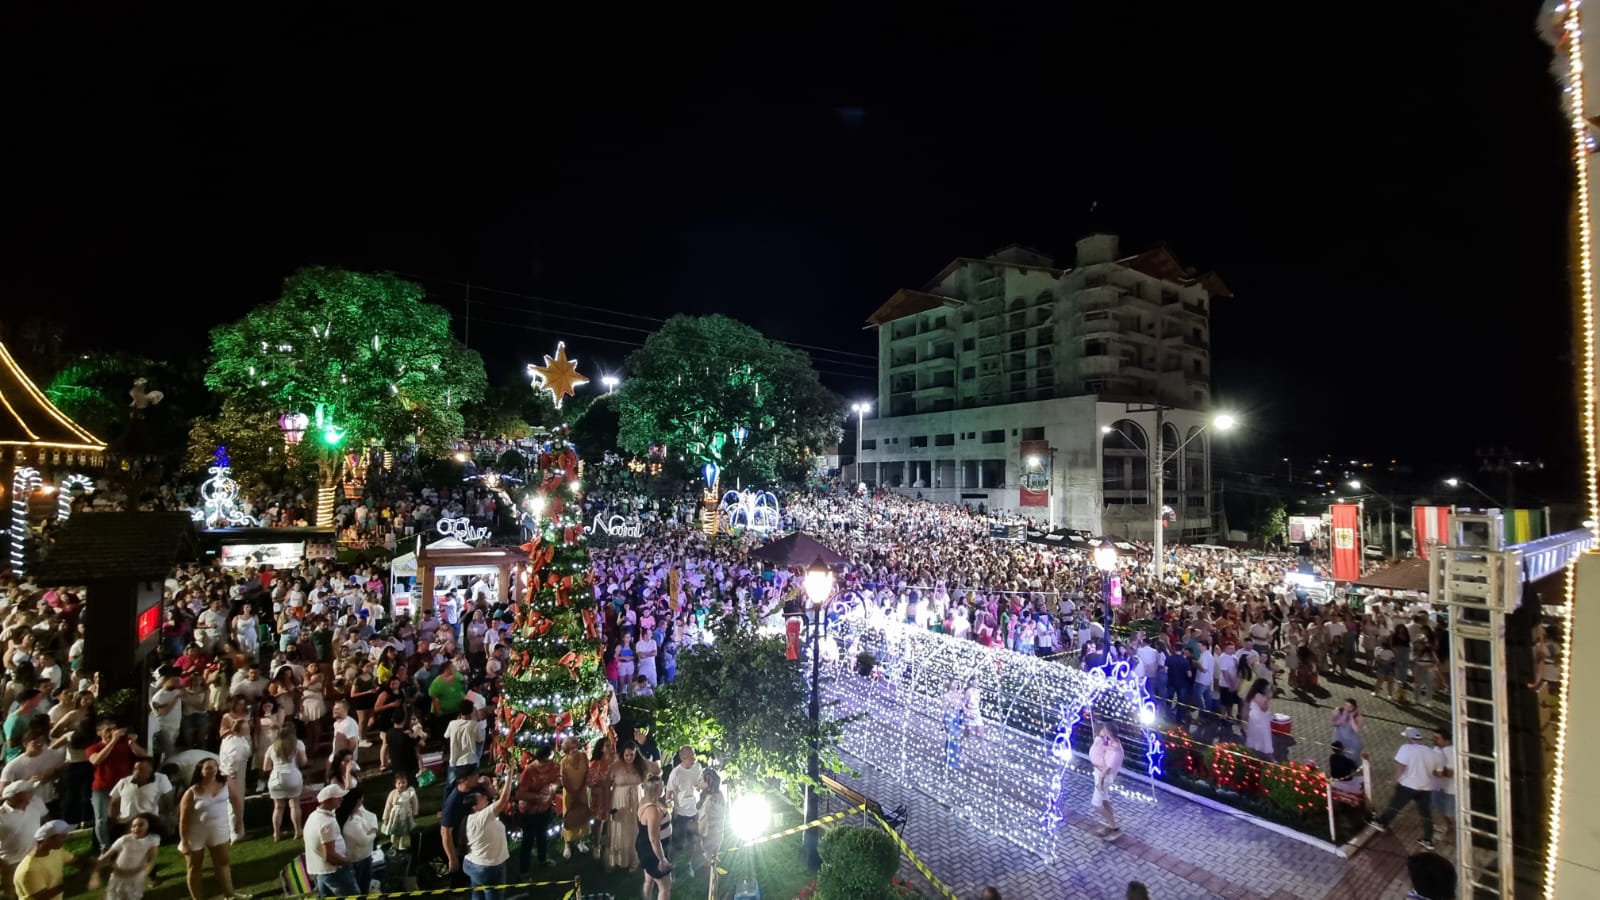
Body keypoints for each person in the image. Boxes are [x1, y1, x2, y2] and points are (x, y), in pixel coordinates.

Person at [177, 757, 240, 900]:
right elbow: (183, 820)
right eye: (208, 768)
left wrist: (239, 822)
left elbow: (236, 800)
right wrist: (185, 841)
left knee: (222, 863)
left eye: (215, 766)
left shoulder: (225, 782)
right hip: (196, 833)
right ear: (201, 771)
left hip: (219, 830)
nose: (213, 770)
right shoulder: (191, 792)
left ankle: (230, 895)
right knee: (194, 867)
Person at [1372, 726, 1441, 851]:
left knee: (1395, 805)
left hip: (1408, 785)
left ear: (1409, 739)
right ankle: (1428, 839)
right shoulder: (1433, 753)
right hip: (1425, 787)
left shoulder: (1406, 748)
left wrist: (1395, 781)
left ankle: (1382, 823)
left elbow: (1401, 767)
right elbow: (1438, 773)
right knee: (1426, 814)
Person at [464, 772, 514, 900]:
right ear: (474, 807)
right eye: (481, 797)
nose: (485, 797)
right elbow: (502, 800)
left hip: (474, 864)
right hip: (488, 868)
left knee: (478, 896)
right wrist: (510, 775)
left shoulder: (473, 818)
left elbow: (495, 796)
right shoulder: (481, 817)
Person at [513, 745, 559, 873]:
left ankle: (542, 859)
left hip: (544, 809)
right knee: (528, 841)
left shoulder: (553, 766)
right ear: (542, 759)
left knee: (542, 835)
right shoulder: (529, 771)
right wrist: (538, 796)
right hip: (529, 812)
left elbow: (558, 780)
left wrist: (552, 787)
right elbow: (519, 794)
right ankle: (524, 871)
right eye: (548, 760)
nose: (551, 763)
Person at [305, 784, 356, 897]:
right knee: (353, 896)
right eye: (338, 797)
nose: (341, 799)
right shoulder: (327, 822)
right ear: (328, 800)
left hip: (321, 870)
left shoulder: (313, 816)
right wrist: (348, 862)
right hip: (335, 870)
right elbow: (330, 856)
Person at [99, 812, 159, 900]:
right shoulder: (124, 840)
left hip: (135, 877)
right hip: (118, 876)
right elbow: (108, 854)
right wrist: (98, 863)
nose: (136, 828)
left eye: (141, 825)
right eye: (133, 826)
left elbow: (152, 859)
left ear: (148, 826)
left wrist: (145, 873)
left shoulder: (151, 841)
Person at [14, 820, 79, 900]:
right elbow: (41, 896)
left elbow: (76, 861)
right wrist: (71, 881)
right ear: (45, 840)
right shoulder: (30, 869)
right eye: (61, 837)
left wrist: (92, 864)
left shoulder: (56, 851)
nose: (65, 839)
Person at [608, 744, 648, 871]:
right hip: (619, 800)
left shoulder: (640, 767)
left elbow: (647, 783)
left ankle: (634, 860)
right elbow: (608, 784)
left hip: (636, 799)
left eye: (632, 755)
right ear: (622, 755)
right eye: (626, 755)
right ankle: (619, 859)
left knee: (635, 829)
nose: (629, 757)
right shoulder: (616, 766)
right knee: (621, 828)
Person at [264, 726, 307, 842]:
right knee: (294, 805)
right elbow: (303, 762)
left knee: (278, 807)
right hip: (293, 776)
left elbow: (266, 767)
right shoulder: (298, 744)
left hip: (275, 778)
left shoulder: (271, 747)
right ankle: (298, 830)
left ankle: (276, 834)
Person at [664, 745, 702, 870]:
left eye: (694, 755)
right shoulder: (676, 773)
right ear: (682, 758)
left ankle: (688, 864)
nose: (693, 758)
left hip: (694, 811)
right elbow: (668, 792)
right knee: (677, 843)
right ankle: (672, 864)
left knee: (694, 841)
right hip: (680, 813)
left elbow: (699, 783)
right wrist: (671, 805)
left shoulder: (697, 767)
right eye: (690, 756)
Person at [337, 785, 380, 895]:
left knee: (366, 883)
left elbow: (372, 818)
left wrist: (371, 831)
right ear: (357, 801)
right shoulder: (350, 823)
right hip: (357, 860)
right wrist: (374, 832)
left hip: (365, 856)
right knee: (360, 886)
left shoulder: (359, 812)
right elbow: (364, 840)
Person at [636, 775, 673, 900]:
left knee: (649, 880)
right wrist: (662, 859)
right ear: (656, 790)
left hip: (646, 846)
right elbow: (654, 838)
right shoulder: (652, 810)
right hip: (653, 850)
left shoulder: (647, 801)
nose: (664, 788)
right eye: (662, 786)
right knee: (665, 887)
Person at [217, 719, 252, 839]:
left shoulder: (237, 739)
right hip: (234, 775)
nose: (248, 728)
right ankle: (236, 834)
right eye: (246, 727)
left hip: (238, 773)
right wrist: (232, 775)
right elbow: (233, 760)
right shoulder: (234, 742)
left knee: (236, 802)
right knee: (234, 803)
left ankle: (239, 831)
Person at [1088, 722, 1123, 837]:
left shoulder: (1116, 752)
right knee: (1104, 800)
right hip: (1100, 775)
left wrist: (1099, 782)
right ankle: (1113, 823)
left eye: (1105, 730)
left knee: (1096, 804)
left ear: (1109, 732)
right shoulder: (1112, 743)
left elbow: (1106, 771)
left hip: (1104, 779)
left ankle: (1112, 824)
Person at [694, 768, 726, 877]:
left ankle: (713, 886)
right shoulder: (717, 794)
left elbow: (705, 820)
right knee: (710, 861)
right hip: (715, 834)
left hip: (709, 836)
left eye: (701, 780)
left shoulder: (711, 800)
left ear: (707, 782)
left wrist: (699, 834)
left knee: (708, 864)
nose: (698, 782)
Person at [382, 772, 419, 851]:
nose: (401, 785)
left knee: (404, 830)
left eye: (403, 782)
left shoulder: (410, 792)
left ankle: (401, 844)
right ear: (395, 784)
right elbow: (388, 806)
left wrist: (415, 811)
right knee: (394, 830)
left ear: (407, 782)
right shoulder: (392, 793)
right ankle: (393, 842)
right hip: (395, 815)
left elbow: (415, 802)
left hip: (406, 814)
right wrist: (385, 817)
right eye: (399, 783)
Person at [1432, 729, 1456, 843]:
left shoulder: (1448, 752)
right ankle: (1449, 828)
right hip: (1442, 787)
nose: (1434, 740)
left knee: (1450, 813)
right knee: (1442, 809)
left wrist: (1435, 772)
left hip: (1451, 789)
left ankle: (1454, 835)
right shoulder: (1440, 750)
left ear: (1446, 740)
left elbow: (1450, 773)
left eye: (1437, 738)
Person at [1242, 678, 1274, 759]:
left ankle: (1252, 754)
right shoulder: (1259, 696)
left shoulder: (1252, 694)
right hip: (1260, 721)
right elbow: (1264, 708)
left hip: (1255, 720)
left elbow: (1245, 710)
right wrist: (1268, 698)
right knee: (1264, 738)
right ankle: (1269, 757)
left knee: (1254, 736)